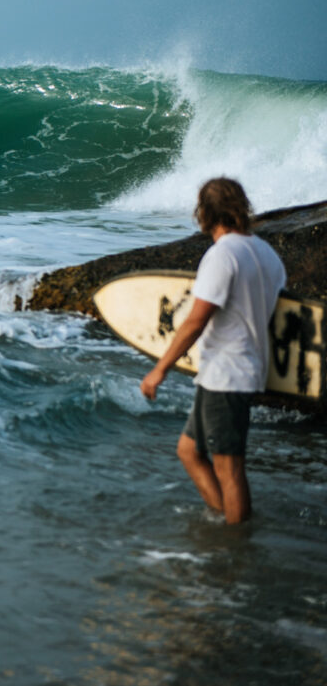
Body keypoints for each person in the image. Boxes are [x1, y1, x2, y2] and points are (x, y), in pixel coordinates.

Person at [140, 178, 286, 524]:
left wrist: (160, 368)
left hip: (228, 374)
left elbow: (196, 320)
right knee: (189, 451)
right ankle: (223, 519)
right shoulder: (266, 253)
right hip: (234, 370)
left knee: (229, 467)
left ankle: (237, 541)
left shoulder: (222, 256)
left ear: (204, 212)